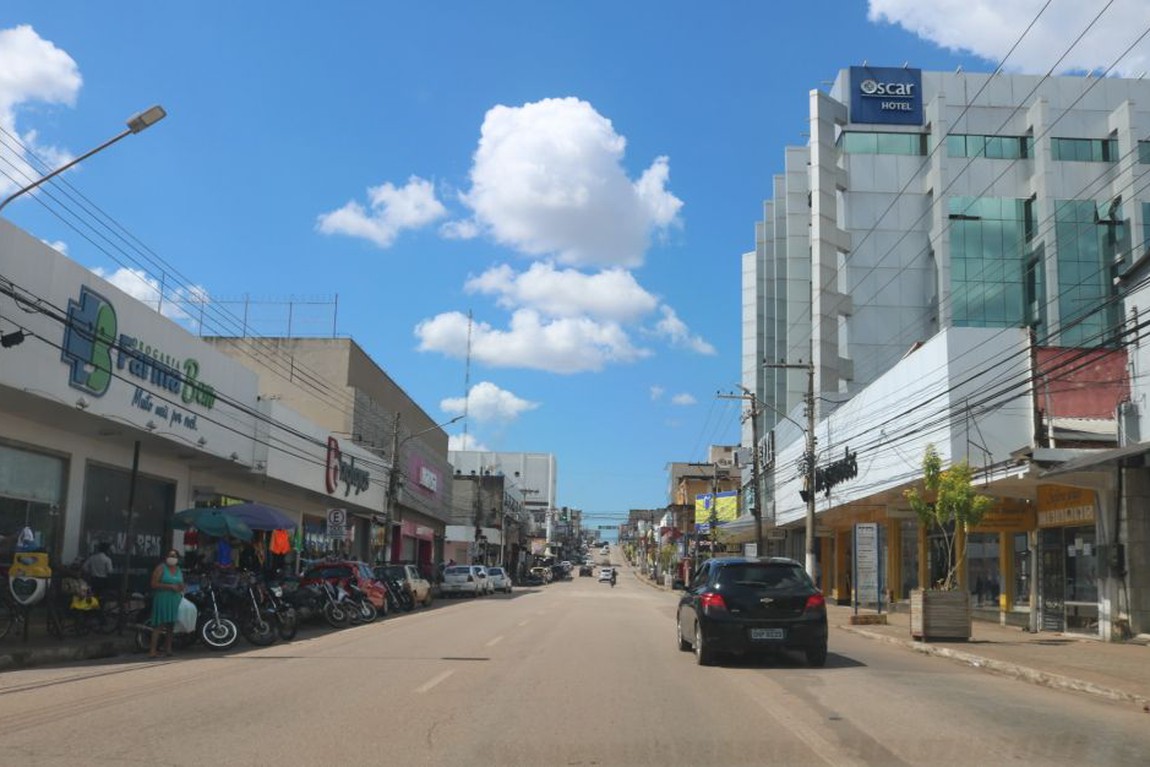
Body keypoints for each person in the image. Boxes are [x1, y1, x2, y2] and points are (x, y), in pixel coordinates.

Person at [148, 549, 185, 658]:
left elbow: (181, 583)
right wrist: (169, 586)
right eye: (170, 555)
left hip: (175, 599)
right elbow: (153, 584)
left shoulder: (178, 569)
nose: (172, 558)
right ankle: (152, 650)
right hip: (162, 598)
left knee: (171, 625)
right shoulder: (161, 568)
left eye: (174, 556)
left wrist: (181, 587)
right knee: (159, 625)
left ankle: (168, 649)